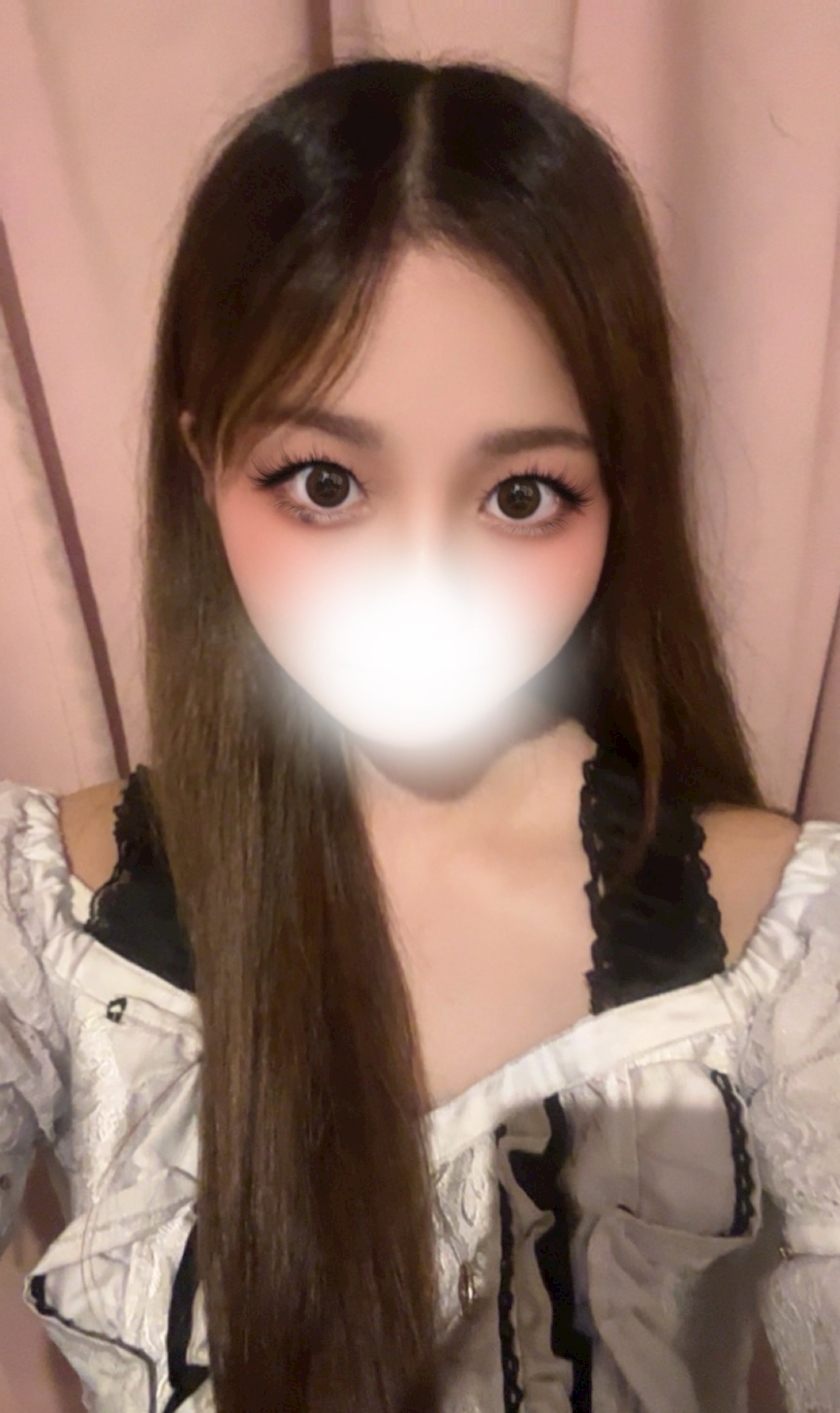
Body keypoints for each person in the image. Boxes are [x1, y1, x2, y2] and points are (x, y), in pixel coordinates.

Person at [1, 53, 838, 1413]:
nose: (423, 584)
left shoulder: (786, 947)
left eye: (522, 494)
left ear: (618, 494)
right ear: (203, 463)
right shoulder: (54, 914)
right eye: (325, 483)